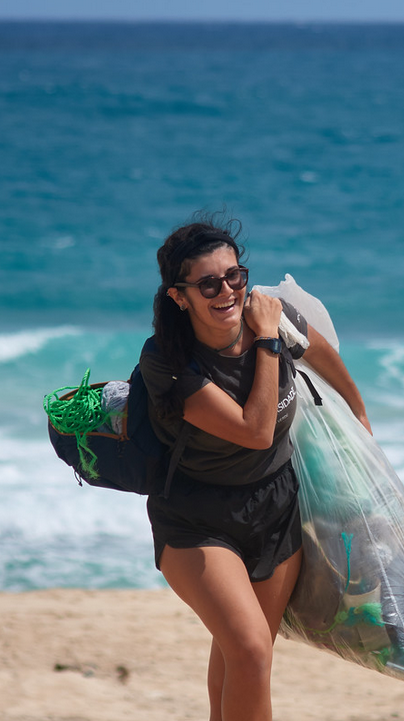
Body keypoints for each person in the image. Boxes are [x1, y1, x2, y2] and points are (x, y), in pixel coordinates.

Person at [140, 215, 371, 721]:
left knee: (243, 656)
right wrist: (267, 342)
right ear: (180, 297)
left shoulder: (274, 314)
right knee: (248, 649)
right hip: (196, 521)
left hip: (275, 511)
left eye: (234, 276)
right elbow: (255, 430)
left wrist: (360, 417)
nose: (226, 291)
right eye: (208, 283)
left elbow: (323, 356)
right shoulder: (169, 359)